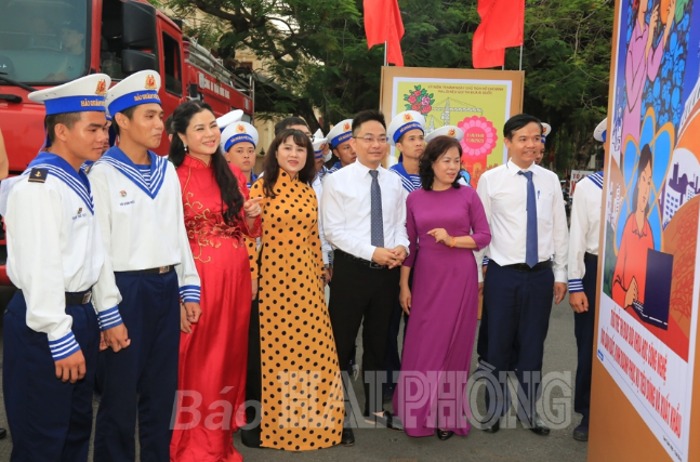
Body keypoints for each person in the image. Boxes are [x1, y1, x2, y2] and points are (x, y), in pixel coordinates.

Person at [3, 73, 130, 461]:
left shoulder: (78, 179)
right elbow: (40, 269)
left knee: (75, 432)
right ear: (61, 130)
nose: (103, 137)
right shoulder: (37, 187)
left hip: (78, 313)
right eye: (93, 128)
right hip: (44, 321)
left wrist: (107, 314)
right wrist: (60, 338)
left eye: (105, 127)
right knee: (43, 438)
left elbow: (95, 254)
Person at [91, 70, 202, 462]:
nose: (160, 126)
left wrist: (188, 287)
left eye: (161, 117)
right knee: (119, 399)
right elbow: (98, 251)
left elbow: (178, 234)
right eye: (150, 116)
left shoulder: (166, 171)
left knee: (160, 395)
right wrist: (108, 312)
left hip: (163, 287)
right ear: (121, 120)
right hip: (125, 292)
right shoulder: (100, 174)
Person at [168, 101, 262, 461]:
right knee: (198, 359)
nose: (209, 134)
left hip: (236, 278)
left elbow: (249, 230)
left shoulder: (232, 174)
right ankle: (194, 444)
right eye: (200, 129)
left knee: (229, 358)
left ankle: (219, 438)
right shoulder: (174, 176)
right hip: (199, 279)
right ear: (181, 137)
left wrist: (252, 213)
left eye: (213, 127)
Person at [244, 129, 344, 450]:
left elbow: (314, 238)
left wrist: (320, 272)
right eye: (287, 148)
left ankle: (305, 417)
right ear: (275, 153)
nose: (294, 154)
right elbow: (249, 236)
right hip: (273, 283)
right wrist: (252, 277)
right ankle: (264, 426)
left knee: (312, 350)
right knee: (272, 353)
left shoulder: (307, 192)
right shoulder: (261, 188)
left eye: (300, 150)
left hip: (306, 284)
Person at [476, 113, 568, 435]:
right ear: (508, 143)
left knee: (533, 346)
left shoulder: (550, 180)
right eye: (523, 138)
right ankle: (493, 410)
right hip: (503, 274)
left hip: (540, 275)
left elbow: (559, 228)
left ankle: (531, 412)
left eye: (536, 138)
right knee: (497, 345)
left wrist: (561, 273)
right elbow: (480, 232)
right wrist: (478, 275)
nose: (531, 144)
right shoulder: (490, 180)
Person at [394, 135, 491, 440]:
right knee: (423, 342)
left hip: (459, 276)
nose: (452, 166)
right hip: (426, 278)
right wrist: (403, 285)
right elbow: (409, 245)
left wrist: (452, 240)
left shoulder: (468, 196)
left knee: (455, 344)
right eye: (446, 160)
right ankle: (416, 411)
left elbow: (484, 236)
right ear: (431, 163)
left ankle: (446, 414)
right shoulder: (414, 199)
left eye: (457, 160)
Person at [322, 110, 409, 445]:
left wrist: (401, 246)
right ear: (354, 143)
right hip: (352, 271)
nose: (376, 144)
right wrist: (373, 251)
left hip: (386, 274)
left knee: (378, 341)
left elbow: (400, 224)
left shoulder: (393, 181)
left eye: (381, 138)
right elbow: (334, 231)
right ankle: (335, 412)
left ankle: (374, 406)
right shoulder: (337, 181)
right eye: (368, 138)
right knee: (341, 344)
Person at [568, 117, 607, 442]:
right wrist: (576, 284)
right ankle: (589, 412)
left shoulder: (647, 180)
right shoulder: (589, 187)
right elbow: (576, 239)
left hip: (636, 270)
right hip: (595, 270)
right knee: (590, 346)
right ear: (606, 144)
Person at [384, 110, 425, 398]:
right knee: (387, 323)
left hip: (426, 262)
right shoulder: (389, 178)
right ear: (399, 145)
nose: (418, 144)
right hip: (395, 258)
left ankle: (415, 378)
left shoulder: (433, 178)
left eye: (421, 137)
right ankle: (388, 379)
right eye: (411, 139)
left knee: (419, 323)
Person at [611, 143, 654, 310]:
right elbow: (616, 282)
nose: (646, 189)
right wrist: (626, 296)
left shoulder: (649, 232)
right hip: (629, 312)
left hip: (645, 314)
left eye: (649, 182)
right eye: (643, 179)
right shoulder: (629, 226)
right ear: (637, 182)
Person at [220, 120, 259, 188]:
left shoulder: (263, 183)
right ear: (227, 156)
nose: (246, 156)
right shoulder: (221, 185)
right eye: (239, 151)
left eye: (250, 151)